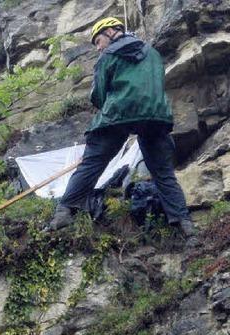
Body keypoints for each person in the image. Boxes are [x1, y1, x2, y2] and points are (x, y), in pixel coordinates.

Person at [47, 17, 196, 237]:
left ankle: (63, 213)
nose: (98, 47)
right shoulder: (153, 54)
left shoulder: (108, 56)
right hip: (156, 116)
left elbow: (98, 96)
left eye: (98, 41)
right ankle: (187, 228)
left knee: (92, 163)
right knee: (164, 174)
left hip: (119, 115)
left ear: (110, 32)